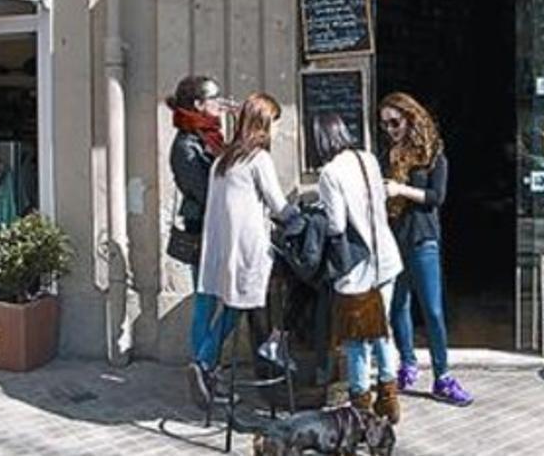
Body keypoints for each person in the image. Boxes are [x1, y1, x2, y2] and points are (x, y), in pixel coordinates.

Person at [188, 92, 292, 408]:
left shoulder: (224, 159)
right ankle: (206, 365)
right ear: (262, 123)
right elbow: (278, 205)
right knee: (241, 307)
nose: (275, 130)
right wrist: (303, 217)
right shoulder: (258, 159)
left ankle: (205, 367)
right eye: (274, 123)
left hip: (219, 250)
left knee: (226, 306)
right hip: (248, 252)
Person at [379, 92, 473, 406]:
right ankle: (407, 363)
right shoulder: (388, 154)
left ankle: (443, 375)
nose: (390, 129)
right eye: (385, 124)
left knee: (432, 309)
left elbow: (437, 196)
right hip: (394, 238)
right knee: (398, 305)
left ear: (410, 118)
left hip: (423, 238)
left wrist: (401, 189)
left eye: (395, 122)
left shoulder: (433, 153)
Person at [314, 113, 404, 423]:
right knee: (382, 331)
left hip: (357, 268)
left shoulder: (329, 173)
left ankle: (360, 407)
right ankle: (389, 400)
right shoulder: (367, 158)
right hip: (386, 256)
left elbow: (337, 224)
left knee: (356, 340)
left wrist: (318, 214)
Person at [166, 75, 227, 281]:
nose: (221, 103)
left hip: (218, 221)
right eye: (215, 97)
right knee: (207, 291)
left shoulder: (209, 135)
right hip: (202, 224)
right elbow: (202, 191)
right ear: (199, 104)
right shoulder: (186, 146)